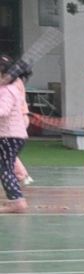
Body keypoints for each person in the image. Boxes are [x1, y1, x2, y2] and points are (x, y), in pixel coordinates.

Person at [0, 54, 25, 215]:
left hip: (9, 136)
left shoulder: (7, 91)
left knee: (5, 168)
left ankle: (17, 201)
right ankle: (15, 199)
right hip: (9, 135)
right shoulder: (6, 90)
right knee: (5, 167)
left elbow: (3, 111)